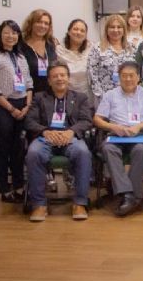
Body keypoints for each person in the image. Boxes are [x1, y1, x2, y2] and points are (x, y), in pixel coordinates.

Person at [23, 61, 93, 222]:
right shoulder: (40, 98)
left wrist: (71, 131)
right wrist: (45, 131)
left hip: (71, 138)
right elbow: (30, 121)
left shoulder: (80, 98)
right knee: (33, 153)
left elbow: (86, 121)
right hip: (45, 138)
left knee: (83, 152)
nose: (59, 79)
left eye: (62, 75)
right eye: (55, 76)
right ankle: (39, 204)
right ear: (49, 80)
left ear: (68, 78)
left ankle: (80, 203)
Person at [93, 61, 143, 217]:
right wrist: (113, 127)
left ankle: (127, 196)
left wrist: (139, 126)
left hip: (139, 135)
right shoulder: (110, 95)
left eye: (131, 76)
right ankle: (130, 195)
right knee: (108, 149)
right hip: (116, 135)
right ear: (119, 78)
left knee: (141, 150)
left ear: (138, 77)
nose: (128, 79)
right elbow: (97, 119)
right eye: (124, 76)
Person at [0, 20, 33, 203]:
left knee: (19, 149)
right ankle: (5, 190)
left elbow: (29, 83)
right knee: (3, 149)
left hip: (23, 104)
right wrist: (12, 109)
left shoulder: (21, 57)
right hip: (3, 106)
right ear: (0, 35)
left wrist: (26, 107)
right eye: (7, 33)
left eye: (14, 33)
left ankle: (19, 186)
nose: (11, 36)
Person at [87, 14, 136, 105]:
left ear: (124, 30)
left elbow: (137, 72)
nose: (115, 30)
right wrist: (102, 96)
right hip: (105, 98)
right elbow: (92, 74)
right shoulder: (97, 48)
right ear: (107, 29)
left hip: (129, 97)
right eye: (112, 27)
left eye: (119, 27)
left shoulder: (131, 48)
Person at [20, 9, 57, 93]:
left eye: (46, 23)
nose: (42, 26)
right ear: (31, 24)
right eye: (39, 22)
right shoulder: (20, 45)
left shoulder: (51, 43)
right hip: (29, 94)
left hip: (50, 94)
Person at [56, 19, 91, 98]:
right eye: (75, 29)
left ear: (85, 35)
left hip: (86, 95)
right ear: (69, 31)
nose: (78, 32)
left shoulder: (91, 49)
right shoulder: (58, 50)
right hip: (65, 94)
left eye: (82, 31)